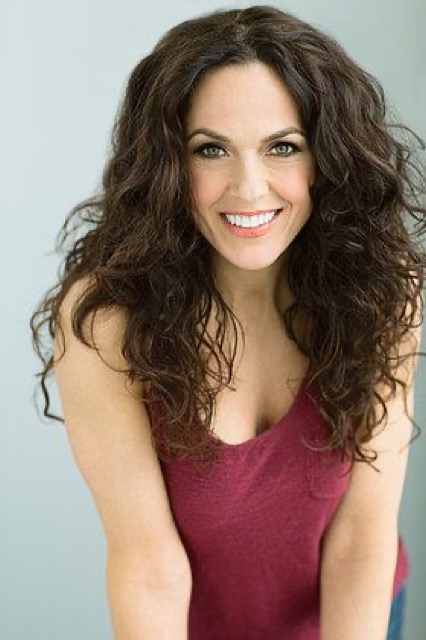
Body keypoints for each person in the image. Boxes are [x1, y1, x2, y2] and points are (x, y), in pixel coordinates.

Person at [30, 5, 425, 640]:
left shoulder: (384, 291)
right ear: (168, 165)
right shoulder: (106, 322)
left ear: (327, 157)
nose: (249, 187)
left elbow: (362, 536)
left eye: (282, 147)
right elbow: (149, 565)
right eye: (211, 149)